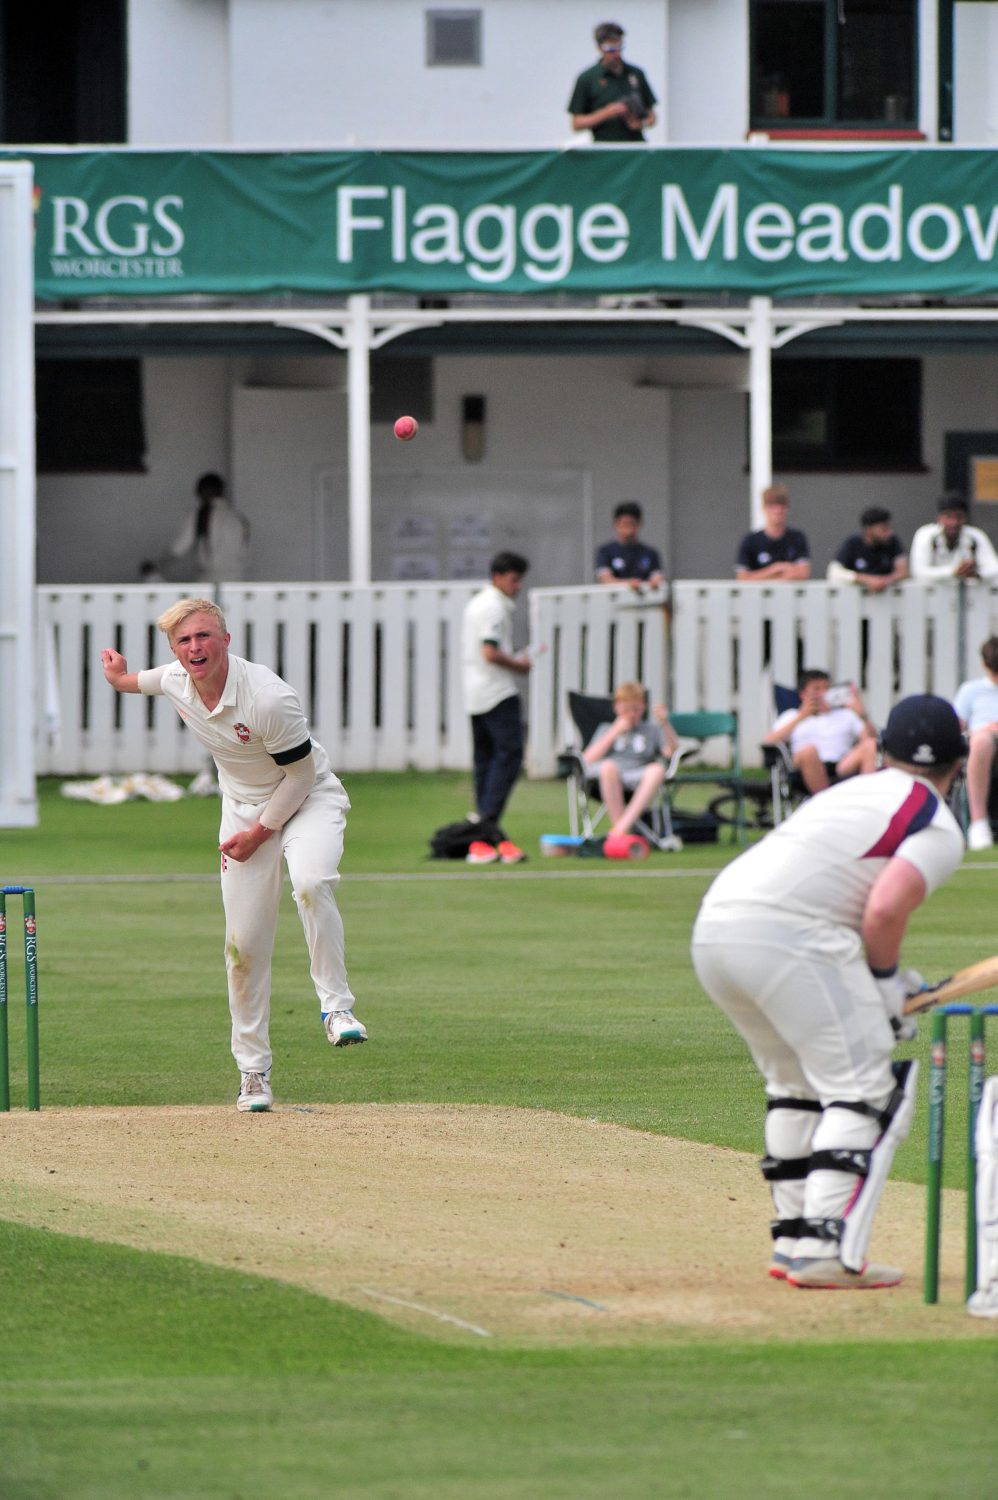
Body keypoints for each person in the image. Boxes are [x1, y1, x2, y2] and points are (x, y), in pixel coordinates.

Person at [692, 694, 966, 1290]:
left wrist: (886, 981)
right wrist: (886, 987)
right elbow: (886, 906)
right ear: (961, 761)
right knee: (863, 1085)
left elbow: (837, 894)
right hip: (789, 938)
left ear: (884, 749)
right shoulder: (938, 823)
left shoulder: (848, 793)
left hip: (715, 926)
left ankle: (794, 1241)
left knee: (795, 1083)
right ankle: (820, 1249)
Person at [100, 597, 365, 1114]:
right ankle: (253, 1073)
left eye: (203, 636)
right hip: (242, 810)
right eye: (184, 641)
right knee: (243, 947)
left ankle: (336, 1009)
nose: (194, 648)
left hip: (307, 799)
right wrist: (117, 676)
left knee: (310, 882)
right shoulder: (177, 679)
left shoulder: (268, 697)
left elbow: (302, 776)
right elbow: (136, 683)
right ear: (175, 651)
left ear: (225, 639)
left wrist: (260, 834)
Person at [461, 552, 533, 865]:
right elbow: (490, 652)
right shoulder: (494, 607)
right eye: (514, 580)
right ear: (498, 576)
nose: (517, 587)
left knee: (486, 761)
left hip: (475, 692)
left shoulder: (477, 602)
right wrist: (519, 664)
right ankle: (485, 827)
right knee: (509, 757)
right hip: (496, 691)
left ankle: (481, 835)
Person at [582, 680, 678, 838]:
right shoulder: (606, 728)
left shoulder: (652, 730)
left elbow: (671, 752)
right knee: (608, 767)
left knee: (657, 769)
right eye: (627, 709)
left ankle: (619, 831)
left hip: (638, 777)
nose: (632, 714)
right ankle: (623, 832)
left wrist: (665, 724)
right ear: (616, 707)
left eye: (636, 709)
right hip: (608, 779)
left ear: (644, 707)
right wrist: (614, 732)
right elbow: (586, 760)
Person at [763, 669, 878, 795]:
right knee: (809, 751)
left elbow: (870, 739)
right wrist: (802, 716)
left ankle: (867, 800)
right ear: (803, 694)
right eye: (817, 689)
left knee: (871, 745)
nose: (823, 693)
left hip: (842, 765)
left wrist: (862, 715)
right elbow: (768, 742)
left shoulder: (847, 714)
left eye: (826, 688)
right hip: (806, 766)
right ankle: (825, 802)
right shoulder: (792, 715)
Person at [568, 21, 657, 143]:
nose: (616, 54)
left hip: (635, 146)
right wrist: (607, 113)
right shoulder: (587, 78)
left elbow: (652, 116)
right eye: (610, 49)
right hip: (604, 147)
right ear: (599, 48)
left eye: (619, 48)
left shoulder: (636, 73)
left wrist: (641, 123)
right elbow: (576, 123)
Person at [954, 635, 998, 851]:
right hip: (983, 744)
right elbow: (956, 727)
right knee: (981, 742)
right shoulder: (970, 691)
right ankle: (979, 823)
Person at [166, 472, 251, 584]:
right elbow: (245, 551)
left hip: (210, 578)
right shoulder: (239, 518)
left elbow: (180, 546)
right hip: (237, 579)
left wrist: (158, 566)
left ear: (205, 491)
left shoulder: (202, 514)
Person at [908, 493, 998, 582]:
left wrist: (976, 574)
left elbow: (994, 569)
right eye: (948, 516)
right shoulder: (926, 535)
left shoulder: (975, 536)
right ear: (939, 518)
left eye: (959, 517)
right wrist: (953, 572)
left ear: (965, 518)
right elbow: (919, 572)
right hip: (934, 594)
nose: (954, 523)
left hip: (968, 594)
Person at [735, 485, 811, 582]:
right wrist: (776, 569)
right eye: (772, 506)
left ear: (787, 508)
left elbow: (803, 573)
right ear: (764, 508)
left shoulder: (797, 538)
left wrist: (767, 576)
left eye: (782, 506)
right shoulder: (751, 540)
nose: (777, 511)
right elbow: (743, 578)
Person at [827, 506, 909, 592]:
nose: (889, 532)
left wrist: (884, 581)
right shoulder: (852, 543)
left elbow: (903, 571)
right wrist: (867, 580)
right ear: (869, 530)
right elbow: (834, 572)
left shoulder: (893, 541)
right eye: (883, 529)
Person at [594, 501, 665, 590]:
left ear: (639, 524)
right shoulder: (605, 551)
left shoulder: (650, 553)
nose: (628, 529)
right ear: (616, 524)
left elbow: (657, 578)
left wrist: (652, 583)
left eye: (631, 524)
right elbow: (605, 579)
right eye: (624, 524)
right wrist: (628, 584)